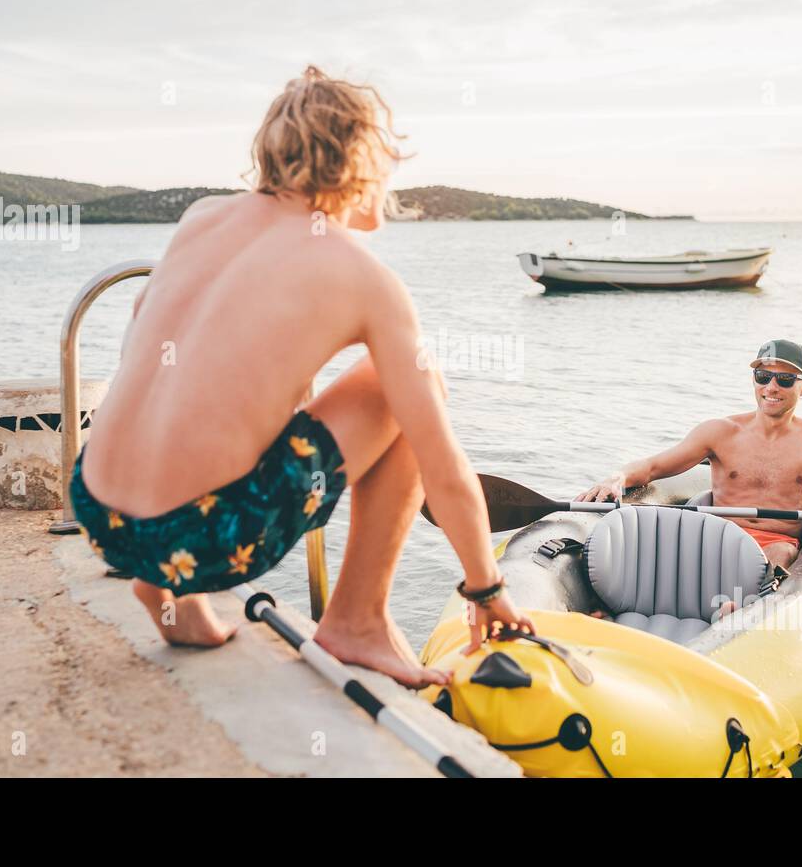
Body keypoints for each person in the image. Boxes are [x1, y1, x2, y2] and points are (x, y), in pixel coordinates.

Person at [70, 66, 532, 687]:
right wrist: (486, 587)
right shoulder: (360, 275)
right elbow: (442, 464)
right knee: (406, 388)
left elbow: (142, 333)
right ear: (361, 162)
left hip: (98, 510)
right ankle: (357, 622)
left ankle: (165, 588)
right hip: (208, 538)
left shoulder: (203, 217)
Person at [576, 339, 802, 615]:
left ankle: (744, 614)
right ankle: (607, 607)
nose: (772, 386)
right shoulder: (719, 432)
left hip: (774, 544)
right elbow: (654, 467)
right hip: (715, 533)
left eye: (785, 380)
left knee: (780, 557)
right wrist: (616, 479)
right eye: (763, 377)